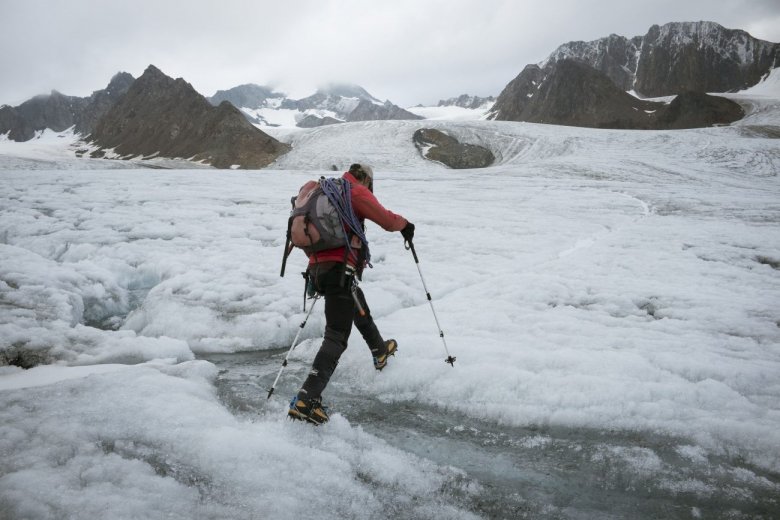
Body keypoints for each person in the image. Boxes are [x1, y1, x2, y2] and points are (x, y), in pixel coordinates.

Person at [288, 163, 415, 424]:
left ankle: (379, 350)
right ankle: (306, 399)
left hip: (318, 269)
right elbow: (387, 220)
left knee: (354, 298)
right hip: (339, 268)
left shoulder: (324, 191)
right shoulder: (354, 192)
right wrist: (405, 225)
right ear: (365, 178)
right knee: (336, 337)